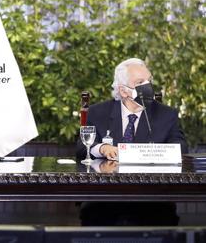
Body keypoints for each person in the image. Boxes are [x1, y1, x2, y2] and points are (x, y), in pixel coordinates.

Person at [77, 58, 188, 226]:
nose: (148, 86)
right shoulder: (98, 113)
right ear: (123, 91)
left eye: (149, 80)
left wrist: (152, 152)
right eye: (140, 82)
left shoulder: (166, 115)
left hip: (152, 199)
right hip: (106, 198)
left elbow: (181, 147)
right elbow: (80, 147)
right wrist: (102, 148)